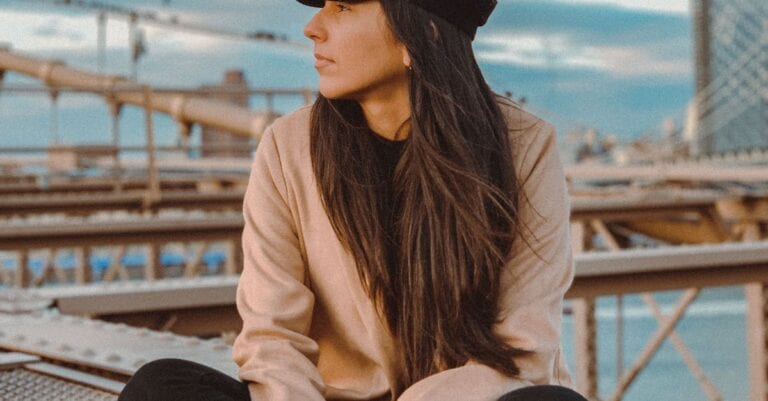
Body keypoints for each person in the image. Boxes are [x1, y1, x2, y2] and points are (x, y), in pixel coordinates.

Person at [118, 1, 587, 400]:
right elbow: (272, 337)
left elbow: (522, 348)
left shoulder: (524, 147)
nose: (312, 27)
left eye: (342, 6)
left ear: (418, 34)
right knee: (161, 387)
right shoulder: (288, 146)